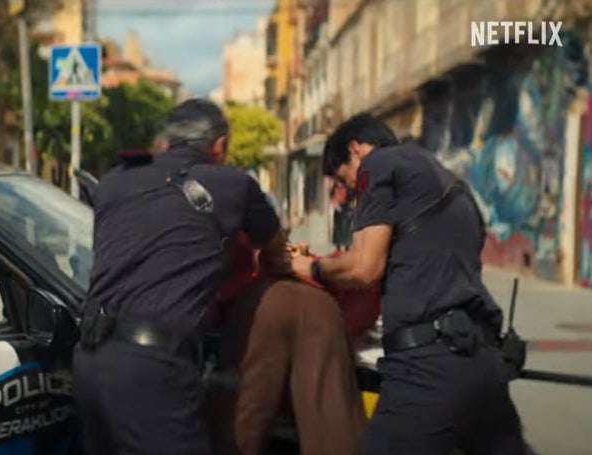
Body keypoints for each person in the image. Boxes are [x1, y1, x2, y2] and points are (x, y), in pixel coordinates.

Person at [292, 113, 525, 455]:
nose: (353, 194)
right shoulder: (454, 186)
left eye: (346, 180)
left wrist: (309, 267)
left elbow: (363, 268)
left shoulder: (380, 164)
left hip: (426, 371)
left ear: (355, 150)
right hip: (484, 364)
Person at [73, 98, 290, 455]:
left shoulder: (114, 181)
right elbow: (275, 248)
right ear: (219, 145)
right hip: (152, 369)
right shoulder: (232, 184)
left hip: (90, 360)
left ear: (166, 140)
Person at [206, 233, 370, 455]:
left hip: (251, 307)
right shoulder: (246, 205)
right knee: (333, 431)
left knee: (239, 431)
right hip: (317, 304)